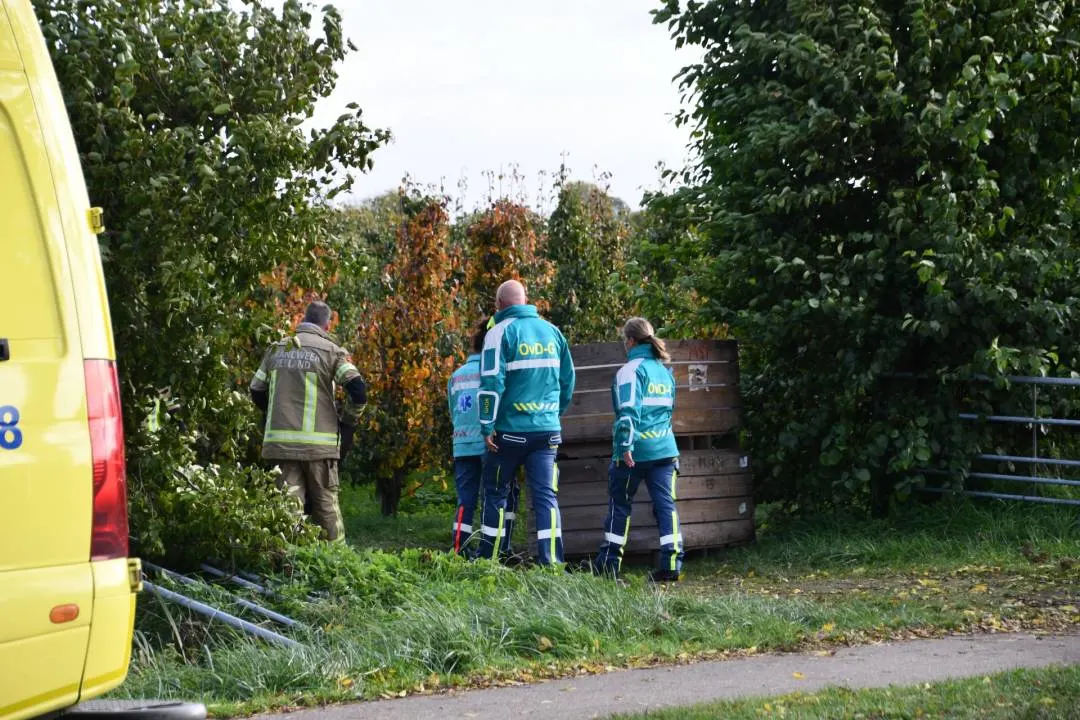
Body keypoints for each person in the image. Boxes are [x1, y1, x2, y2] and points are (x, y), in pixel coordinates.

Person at [476, 280, 575, 566]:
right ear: (525, 300)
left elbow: (491, 384)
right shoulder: (553, 332)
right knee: (546, 497)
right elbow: (568, 382)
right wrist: (553, 415)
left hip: (509, 433)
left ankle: (488, 562)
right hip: (546, 433)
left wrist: (486, 425)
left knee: (495, 493)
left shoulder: (498, 333)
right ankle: (552, 564)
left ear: (499, 305)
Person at [249, 301, 367, 541]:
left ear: (302, 320)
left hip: (280, 446)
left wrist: (275, 413)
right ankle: (337, 563)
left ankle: (289, 565)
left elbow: (256, 389)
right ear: (327, 323)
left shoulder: (276, 349)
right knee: (326, 508)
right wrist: (348, 423)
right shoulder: (331, 351)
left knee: (287, 511)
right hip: (319, 449)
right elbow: (358, 389)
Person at [592, 317, 683, 582]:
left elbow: (629, 411)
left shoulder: (631, 370)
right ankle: (671, 564)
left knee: (620, 506)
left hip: (635, 452)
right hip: (665, 450)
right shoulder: (665, 372)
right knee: (666, 506)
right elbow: (668, 412)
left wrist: (625, 446)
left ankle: (608, 566)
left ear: (630, 341)